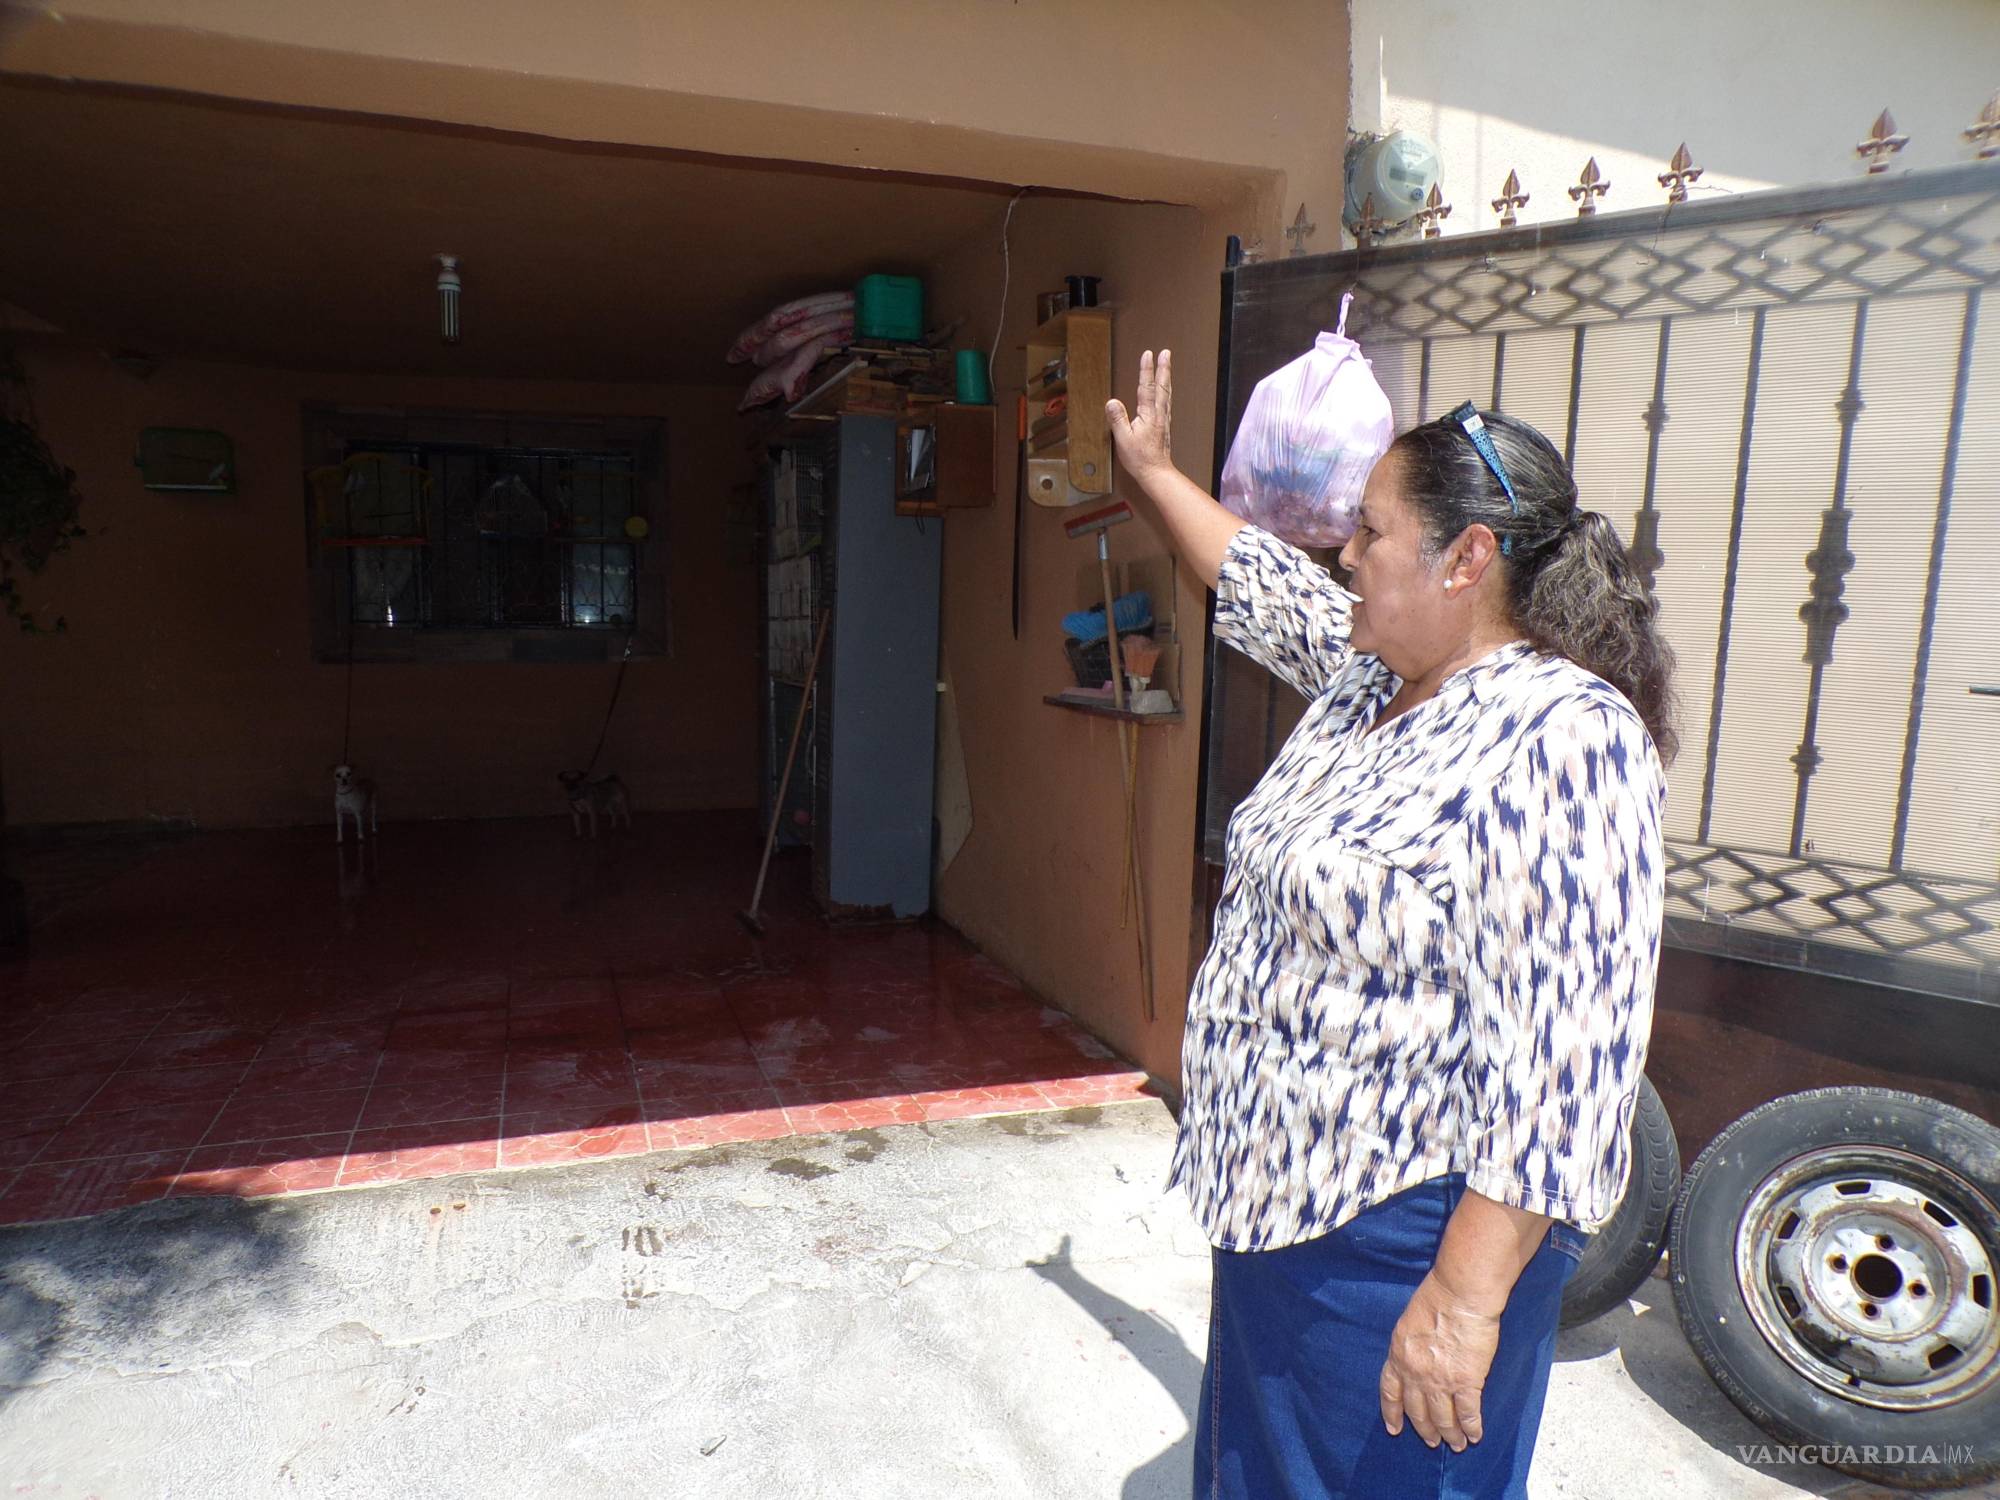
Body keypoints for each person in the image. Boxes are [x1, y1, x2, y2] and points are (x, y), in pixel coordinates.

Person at [1105, 350, 1674, 1499]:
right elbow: (1253, 576)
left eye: (1369, 532)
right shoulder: (1373, 675)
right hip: (1277, 1210)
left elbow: (1571, 1061)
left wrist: (1461, 1304)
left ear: (1465, 559)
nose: (1344, 553)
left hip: (1400, 1239)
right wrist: (1150, 473)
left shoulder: (1561, 736)